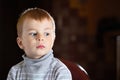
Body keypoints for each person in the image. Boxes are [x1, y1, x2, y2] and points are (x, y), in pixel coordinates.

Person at [7, 7, 72, 80]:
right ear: (20, 43)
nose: (41, 38)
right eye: (34, 34)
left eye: (47, 34)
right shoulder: (15, 72)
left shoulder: (60, 71)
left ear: (53, 39)